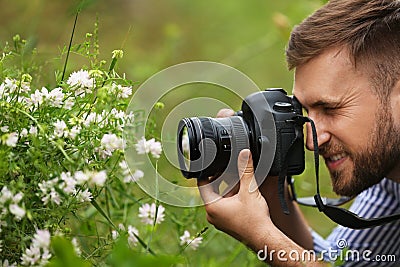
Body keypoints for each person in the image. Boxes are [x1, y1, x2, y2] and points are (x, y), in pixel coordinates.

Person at [198, 0, 400, 266]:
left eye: (329, 108)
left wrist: (263, 237)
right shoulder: (390, 179)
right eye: (304, 111)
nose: (310, 141)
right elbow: (344, 262)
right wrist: (270, 186)